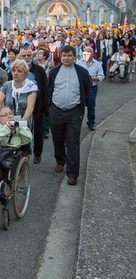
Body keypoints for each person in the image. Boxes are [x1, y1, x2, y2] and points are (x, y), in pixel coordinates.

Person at [48, 45, 92, 185]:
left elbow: (87, 89)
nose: (66, 58)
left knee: (73, 143)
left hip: (74, 112)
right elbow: (49, 88)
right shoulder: (54, 71)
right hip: (56, 110)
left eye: (69, 56)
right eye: (64, 56)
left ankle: (72, 174)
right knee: (57, 139)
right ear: (61, 57)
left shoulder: (82, 72)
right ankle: (60, 161)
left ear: (74, 57)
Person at [19, 48, 49, 164]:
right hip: (20, 107)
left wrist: (45, 107)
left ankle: (37, 154)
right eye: (24, 56)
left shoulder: (39, 71)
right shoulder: (16, 70)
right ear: (20, 57)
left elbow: (44, 89)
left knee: (37, 131)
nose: (26, 58)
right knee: (21, 130)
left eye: (28, 55)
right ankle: (23, 153)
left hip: (36, 107)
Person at [77, 47, 104, 130]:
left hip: (92, 87)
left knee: (91, 105)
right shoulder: (79, 62)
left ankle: (91, 122)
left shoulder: (97, 64)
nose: (88, 54)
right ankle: (76, 123)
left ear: (93, 54)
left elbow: (101, 75)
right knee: (78, 105)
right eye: (86, 52)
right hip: (80, 88)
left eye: (90, 52)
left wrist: (94, 78)